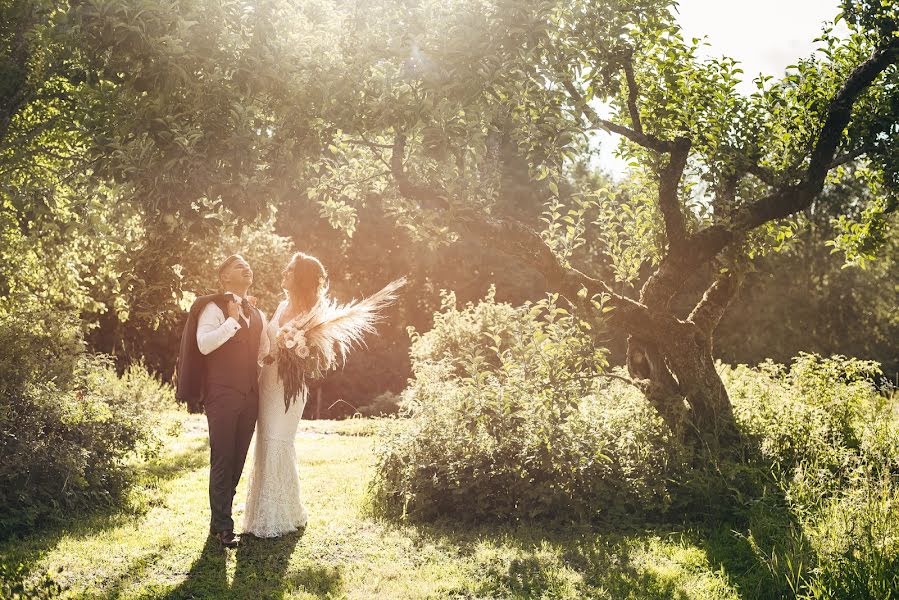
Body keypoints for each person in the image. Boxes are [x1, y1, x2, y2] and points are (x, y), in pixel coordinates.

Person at [175, 254, 267, 548]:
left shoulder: (255, 311)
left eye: (248, 264)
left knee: (238, 460)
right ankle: (224, 527)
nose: (247, 268)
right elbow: (204, 344)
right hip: (222, 394)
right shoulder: (213, 307)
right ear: (225, 277)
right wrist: (231, 320)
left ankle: (220, 520)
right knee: (223, 458)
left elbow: (262, 353)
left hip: (250, 396)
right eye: (239, 266)